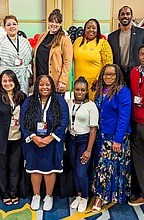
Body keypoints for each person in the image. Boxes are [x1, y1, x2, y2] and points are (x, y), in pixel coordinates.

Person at [20, 75, 69, 211]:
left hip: (52, 143)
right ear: (37, 86)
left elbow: (64, 120)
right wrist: (33, 137)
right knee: (34, 169)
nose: (44, 87)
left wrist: (51, 137)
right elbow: (23, 121)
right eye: (41, 84)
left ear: (52, 86)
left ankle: (49, 196)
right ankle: (36, 195)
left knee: (50, 169)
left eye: (47, 84)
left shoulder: (59, 101)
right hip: (34, 142)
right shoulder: (29, 101)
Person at [92, 64, 131, 212]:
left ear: (118, 76)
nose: (109, 77)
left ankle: (100, 198)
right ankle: (102, 194)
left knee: (107, 168)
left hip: (115, 137)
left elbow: (124, 117)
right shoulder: (100, 90)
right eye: (106, 74)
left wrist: (118, 140)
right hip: (102, 135)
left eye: (112, 74)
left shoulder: (123, 92)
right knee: (102, 166)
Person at [0, 69, 26, 205]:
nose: (8, 83)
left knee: (15, 167)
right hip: (0, 141)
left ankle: (14, 192)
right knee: (1, 168)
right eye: (5, 81)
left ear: (15, 82)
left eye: (10, 80)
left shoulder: (22, 96)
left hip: (17, 139)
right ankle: (4, 193)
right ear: (0, 82)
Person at [66, 77, 98, 212]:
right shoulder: (69, 103)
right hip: (71, 140)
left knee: (81, 172)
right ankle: (78, 195)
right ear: (73, 90)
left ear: (86, 91)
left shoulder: (91, 106)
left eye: (82, 90)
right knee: (74, 169)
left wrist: (88, 150)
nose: (79, 92)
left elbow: (93, 129)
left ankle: (85, 197)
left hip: (84, 141)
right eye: (77, 89)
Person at [0, 15, 33, 95]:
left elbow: (31, 59)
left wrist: (31, 76)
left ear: (17, 25)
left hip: (23, 77)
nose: (12, 26)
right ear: (5, 28)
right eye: (8, 25)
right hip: (8, 78)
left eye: (14, 24)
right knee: (8, 100)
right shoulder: (0, 42)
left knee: (23, 100)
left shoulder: (25, 41)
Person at [34, 9, 73, 93]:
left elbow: (67, 62)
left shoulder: (65, 39)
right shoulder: (42, 35)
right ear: (48, 22)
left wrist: (63, 81)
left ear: (61, 23)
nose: (54, 24)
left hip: (55, 80)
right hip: (40, 79)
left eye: (57, 22)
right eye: (52, 21)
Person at [73, 18, 113, 101]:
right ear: (84, 29)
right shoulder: (77, 42)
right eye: (88, 27)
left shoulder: (103, 43)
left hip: (95, 85)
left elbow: (108, 65)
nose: (91, 30)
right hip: (79, 86)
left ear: (98, 30)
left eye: (94, 28)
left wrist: (99, 80)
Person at [108, 6, 144, 88]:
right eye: (122, 14)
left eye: (127, 14)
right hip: (118, 75)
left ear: (131, 16)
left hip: (137, 73)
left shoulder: (141, 33)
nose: (125, 16)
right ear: (118, 17)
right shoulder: (111, 37)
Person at [129, 45, 144, 206]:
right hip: (136, 121)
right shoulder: (134, 72)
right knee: (139, 160)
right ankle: (142, 193)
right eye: (141, 54)